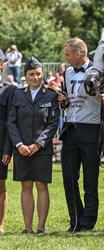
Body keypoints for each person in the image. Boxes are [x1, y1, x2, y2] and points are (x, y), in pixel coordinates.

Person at [58, 38, 104, 232]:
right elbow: (68, 98)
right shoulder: (67, 72)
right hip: (70, 129)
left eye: (67, 54)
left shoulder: (98, 71)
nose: (65, 58)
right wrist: (64, 100)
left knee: (90, 181)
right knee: (69, 178)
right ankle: (75, 219)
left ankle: (88, 221)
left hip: (91, 130)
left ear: (79, 53)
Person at [7, 57, 59, 235]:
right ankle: (27, 227)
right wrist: (19, 144)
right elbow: (11, 122)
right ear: (26, 75)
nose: (35, 77)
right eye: (31, 74)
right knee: (26, 186)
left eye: (38, 74)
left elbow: (53, 124)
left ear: (42, 75)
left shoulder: (51, 95)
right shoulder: (17, 95)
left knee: (42, 185)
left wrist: (38, 144)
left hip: (41, 150)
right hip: (21, 149)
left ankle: (41, 227)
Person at [0, 48, 14, 234]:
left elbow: (11, 122)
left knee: (0, 185)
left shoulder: (8, 91)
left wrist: (7, 149)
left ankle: (0, 224)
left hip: (0, 144)